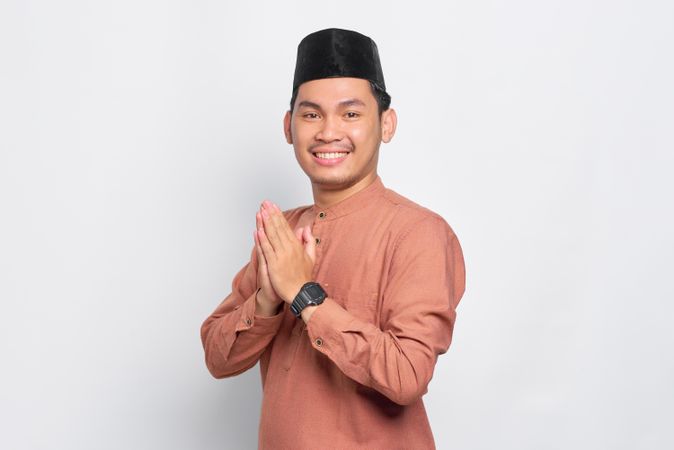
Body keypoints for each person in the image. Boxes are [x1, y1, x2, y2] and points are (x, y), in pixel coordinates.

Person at [200, 27, 466, 449]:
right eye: (311, 115)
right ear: (289, 127)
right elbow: (217, 358)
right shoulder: (279, 233)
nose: (328, 131)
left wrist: (304, 295)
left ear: (387, 123)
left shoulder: (419, 233)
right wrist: (268, 300)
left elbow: (407, 376)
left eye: (351, 114)